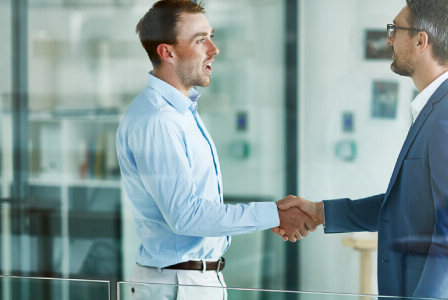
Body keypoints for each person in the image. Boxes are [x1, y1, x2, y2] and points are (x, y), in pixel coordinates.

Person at [274, 0, 448, 299]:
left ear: (421, 41)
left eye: (396, 29)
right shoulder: (439, 110)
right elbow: (408, 205)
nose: (388, 38)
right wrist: (320, 212)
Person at [116, 1, 315, 299]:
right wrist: (274, 214)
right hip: (175, 286)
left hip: (195, 280)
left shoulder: (182, 113)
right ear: (167, 52)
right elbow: (186, 215)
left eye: (211, 36)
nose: (214, 48)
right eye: (200, 40)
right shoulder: (157, 120)